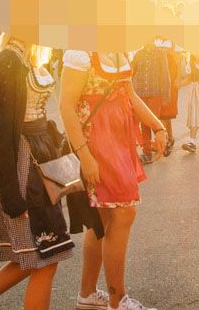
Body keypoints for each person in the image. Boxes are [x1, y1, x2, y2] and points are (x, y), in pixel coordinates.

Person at [0, 37, 73, 310]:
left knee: (36, 255)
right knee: (45, 257)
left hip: (42, 160)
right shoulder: (8, 60)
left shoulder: (31, 56)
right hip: (23, 167)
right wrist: (10, 195)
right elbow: (0, 129)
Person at [59, 52, 165, 310]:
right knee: (124, 212)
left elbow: (130, 95)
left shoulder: (119, 52)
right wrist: (85, 156)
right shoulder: (82, 53)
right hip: (96, 142)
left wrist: (157, 125)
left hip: (119, 139)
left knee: (103, 220)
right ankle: (118, 300)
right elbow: (66, 106)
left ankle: (87, 294)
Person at [130, 40, 173, 164]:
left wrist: (166, 94)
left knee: (154, 122)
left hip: (155, 93)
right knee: (144, 123)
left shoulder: (160, 53)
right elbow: (132, 72)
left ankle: (164, 143)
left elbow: (165, 74)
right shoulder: (138, 54)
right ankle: (147, 153)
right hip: (141, 93)